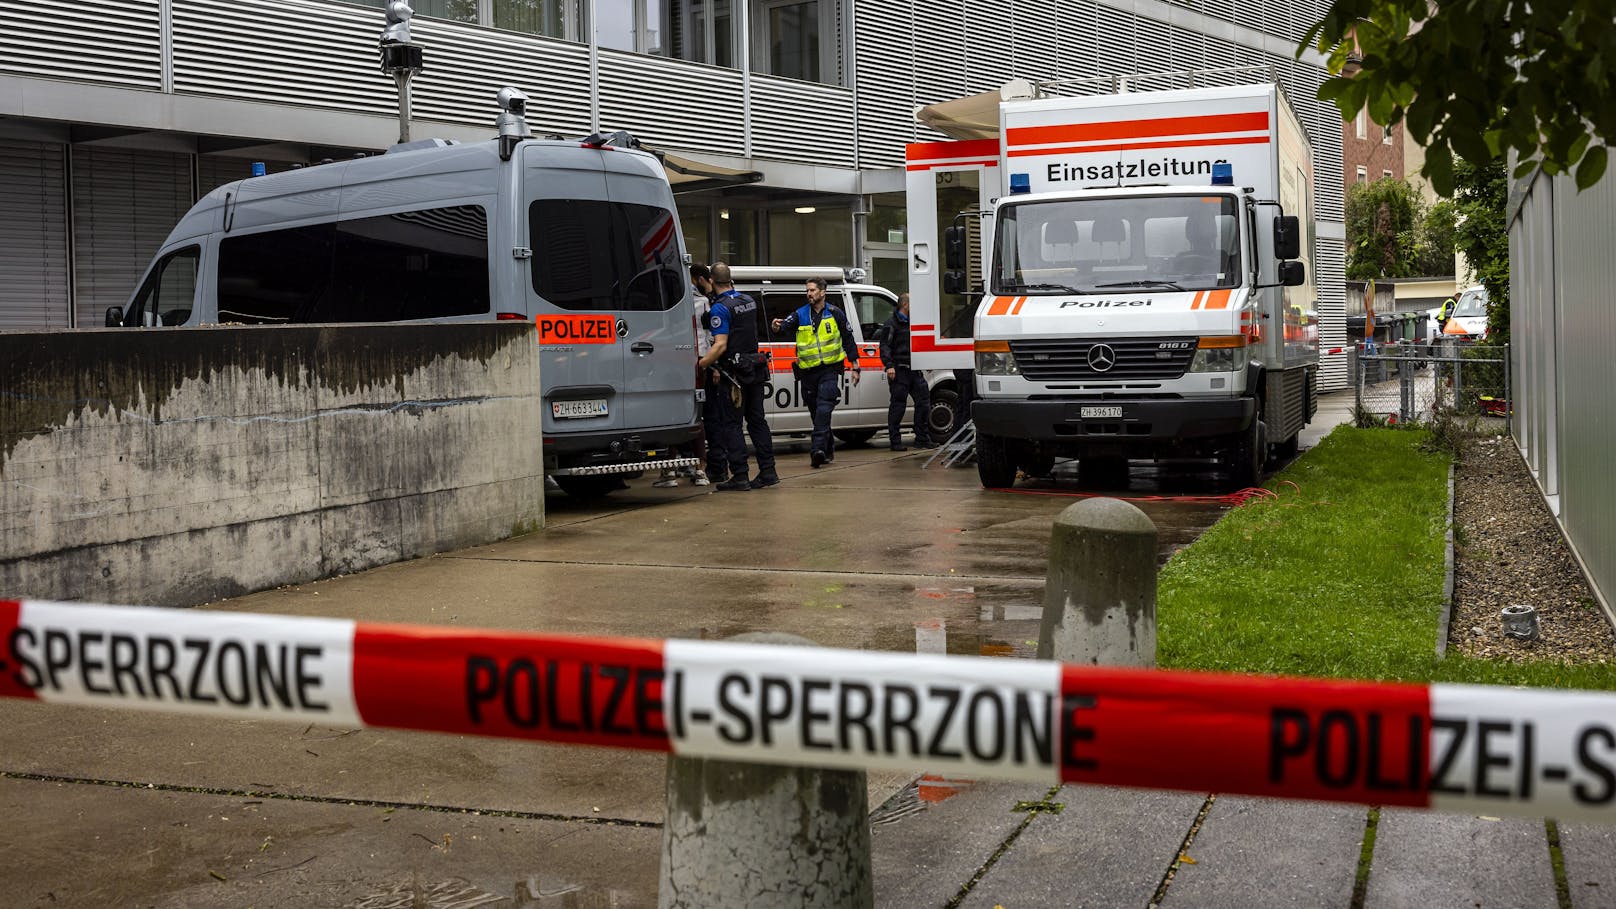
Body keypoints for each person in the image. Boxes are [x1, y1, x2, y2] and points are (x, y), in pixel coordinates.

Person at [701, 263, 778, 490]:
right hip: (754, 368)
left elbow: (720, 345)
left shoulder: (720, 308)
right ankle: (768, 471)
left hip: (733, 375)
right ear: (730, 279)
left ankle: (740, 475)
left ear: (712, 281)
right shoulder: (749, 300)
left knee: (732, 425)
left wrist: (702, 363)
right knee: (757, 421)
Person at [771, 276, 862, 468]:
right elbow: (783, 327)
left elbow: (848, 339)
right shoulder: (800, 314)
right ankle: (827, 450)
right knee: (817, 413)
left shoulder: (835, 313)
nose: (809, 294)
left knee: (823, 409)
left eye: (812, 290)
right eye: (807, 291)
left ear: (822, 292)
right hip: (808, 373)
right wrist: (776, 327)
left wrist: (855, 366)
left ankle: (816, 450)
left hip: (830, 369)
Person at [655, 265, 717, 488]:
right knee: (695, 414)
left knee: (670, 414)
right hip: (698, 360)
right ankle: (700, 469)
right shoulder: (703, 301)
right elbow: (710, 335)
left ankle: (670, 470)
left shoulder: (667, 299)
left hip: (672, 360)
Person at [879, 292, 933, 451]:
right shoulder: (891, 324)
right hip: (899, 371)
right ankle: (895, 442)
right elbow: (884, 347)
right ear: (905, 305)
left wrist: (927, 361)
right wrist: (889, 365)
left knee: (924, 403)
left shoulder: (913, 324)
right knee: (898, 407)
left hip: (914, 371)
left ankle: (922, 439)